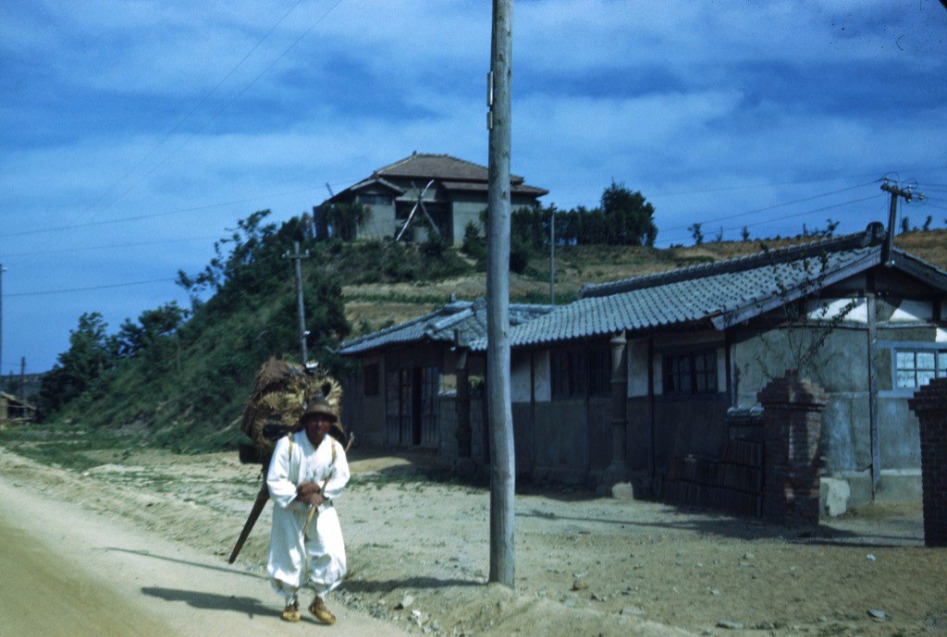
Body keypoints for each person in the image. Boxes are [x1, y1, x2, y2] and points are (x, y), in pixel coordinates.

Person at [266, 397, 350, 624]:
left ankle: (319, 600)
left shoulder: (334, 448)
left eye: (324, 420)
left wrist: (319, 492)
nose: (319, 425)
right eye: (314, 419)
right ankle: (290, 601)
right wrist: (299, 494)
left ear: (330, 424)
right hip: (290, 508)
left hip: (321, 507)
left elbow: (342, 478)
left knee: (331, 552)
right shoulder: (288, 444)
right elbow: (275, 479)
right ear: (306, 421)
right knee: (290, 555)